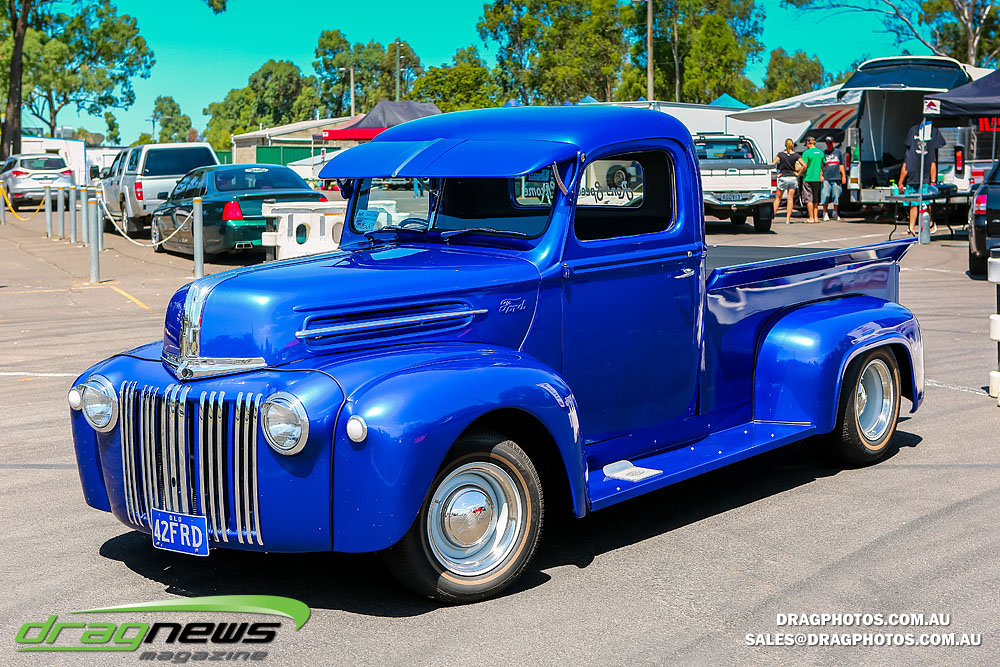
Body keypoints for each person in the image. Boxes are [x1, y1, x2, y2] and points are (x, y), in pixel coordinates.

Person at [898, 120, 944, 235]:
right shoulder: (910, 150)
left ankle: (930, 224)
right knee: (913, 204)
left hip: (925, 178)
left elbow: (933, 163)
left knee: (925, 203)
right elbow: (905, 165)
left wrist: (933, 181)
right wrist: (900, 181)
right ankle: (911, 228)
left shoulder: (932, 139)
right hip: (913, 178)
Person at [772, 138, 800, 224]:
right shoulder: (796, 155)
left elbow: (773, 164)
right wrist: (798, 173)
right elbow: (804, 165)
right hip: (792, 177)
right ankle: (788, 219)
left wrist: (777, 174)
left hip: (783, 177)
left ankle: (772, 217)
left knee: (778, 198)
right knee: (790, 199)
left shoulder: (781, 155)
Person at [797, 136, 824, 223]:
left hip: (808, 177)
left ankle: (811, 217)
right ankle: (816, 217)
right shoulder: (821, 153)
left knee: (809, 198)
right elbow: (822, 165)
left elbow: (804, 166)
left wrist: (798, 173)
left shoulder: (806, 153)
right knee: (816, 198)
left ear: (808, 143)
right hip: (817, 178)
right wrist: (821, 175)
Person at [820, 136, 846, 220]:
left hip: (836, 177)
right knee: (825, 195)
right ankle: (825, 213)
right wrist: (821, 175)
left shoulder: (838, 152)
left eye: (830, 143)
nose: (828, 145)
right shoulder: (824, 153)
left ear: (833, 143)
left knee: (836, 195)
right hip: (826, 177)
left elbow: (841, 164)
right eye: (827, 143)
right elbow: (821, 165)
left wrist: (843, 176)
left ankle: (835, 212)